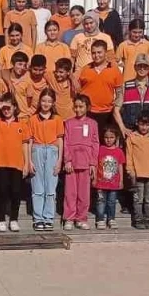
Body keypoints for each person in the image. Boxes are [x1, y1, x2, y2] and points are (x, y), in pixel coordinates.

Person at [0, 95, 27, 232]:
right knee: (2, 191)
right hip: (1, 161)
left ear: (15, 107)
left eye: (9, 107)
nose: (6, 110)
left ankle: (14, 219)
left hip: (16, 162)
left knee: (16, 191)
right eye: (4, 108)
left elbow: (25, 144)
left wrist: (27, 163)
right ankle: (1, 219)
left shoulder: (21, 124)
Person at [26, 87, 64, 231]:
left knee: (51, 186)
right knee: (37, 187)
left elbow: (60, 140)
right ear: (39, 101)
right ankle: (38, 218)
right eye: (43, 101)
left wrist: (59, 161)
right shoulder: (33, 119)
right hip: (37, 150)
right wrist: (29, 161)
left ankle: (48, 217)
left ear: (53, 103)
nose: (46, 104)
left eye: (49, 101)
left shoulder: (57, 119)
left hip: (52, 151)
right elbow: (29, 140)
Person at [62, 94, 97, 230]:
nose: (78, 109)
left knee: (84, 193)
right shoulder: (69, 123)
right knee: (70, 193)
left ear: (87, 107)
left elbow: (95, 144)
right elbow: (65, 142)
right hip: (72, 163)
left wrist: (93, 163)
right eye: (76, 107)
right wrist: (67, 160)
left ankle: (81, 218)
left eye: (81, 107)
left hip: (86, 163)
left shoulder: (93, 124)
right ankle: (69, 218)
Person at [77, 41, 124, 141]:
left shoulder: (114, 70)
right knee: (87, 140)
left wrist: (117, 105)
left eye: (99, 52)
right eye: (93, 53)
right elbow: (78, 90)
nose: (96, 55)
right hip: (88, 113)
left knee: (105, 141)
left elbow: (119, 91)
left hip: (107, 113)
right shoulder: (85, 69)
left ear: (105, 52)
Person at [125, 111, 149, 230]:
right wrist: (130, 171)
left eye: (147, 125)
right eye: (142, 124)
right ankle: (138, 219)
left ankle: (147, 219)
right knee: (138, 199)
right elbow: (129, 155)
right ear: (137, 123)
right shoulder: (132, 137)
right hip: (137, 174)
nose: (144, 127)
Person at [116, 55, 149, 139]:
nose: (142, 69)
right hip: (131, 133)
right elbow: (116, 109)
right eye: (139, 66)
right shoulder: (125, 86)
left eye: (145, 66)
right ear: (135, 67)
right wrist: (122, 127)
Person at [94, 125, 125, 230]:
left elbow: (120, 166)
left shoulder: (119, 151)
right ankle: (100, 219)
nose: (109, 140)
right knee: (100, 201)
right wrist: (94, 178)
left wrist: (121, 180)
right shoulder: (100, 149)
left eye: (111, 137)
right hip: (101, 182)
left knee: (112, 202)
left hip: (114, 183)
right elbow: (96, 164)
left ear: (116, 138)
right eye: (106, 137)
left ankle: (111, 219)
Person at [14, 54, 53, 119]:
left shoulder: (47, 77)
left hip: (41, 114)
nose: (37, 73)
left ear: (45, 69)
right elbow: (4, 71)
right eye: (35, 69)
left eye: (40, 70)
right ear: (30, 67)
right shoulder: (25, 74)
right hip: (25, 114)